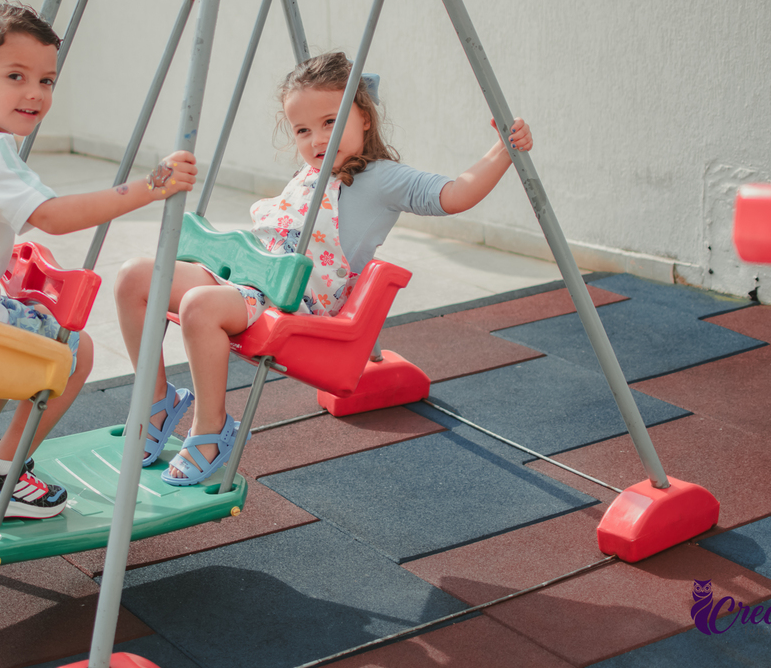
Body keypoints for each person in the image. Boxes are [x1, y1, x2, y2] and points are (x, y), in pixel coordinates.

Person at [114, 51, 532, 486]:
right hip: (250, 278)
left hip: (294, 299)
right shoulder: (310, 173)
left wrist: (503, 150)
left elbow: (455, 194)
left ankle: (211, 428)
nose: (317, 140)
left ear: (364, 117)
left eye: (330, 122)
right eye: (303, 130)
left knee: (199, 305)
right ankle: (156, 400)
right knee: (134, 277)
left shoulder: (382, 177)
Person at [0, 0, 197, 518]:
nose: (35, 93)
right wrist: (150, 187)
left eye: (47, 80)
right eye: (15, 76)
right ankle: (2, 474)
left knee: (24, 321)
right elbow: (54, 216)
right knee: (71, 350)